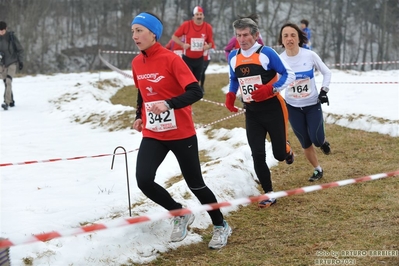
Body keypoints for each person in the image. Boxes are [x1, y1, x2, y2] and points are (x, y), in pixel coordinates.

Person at [130, 12, 232, 249]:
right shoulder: (137, 62)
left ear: (153, 33)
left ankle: (220, 225)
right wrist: (138, 115)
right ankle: (180, 213)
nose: (134, 35)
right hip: (154, 133)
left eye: (139, 30)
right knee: (144, 180)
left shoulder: (172, 59)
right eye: (133, 31)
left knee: (195, 184)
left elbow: (196, 92)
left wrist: (168, 103)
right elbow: (142, 91)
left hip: (181, 133)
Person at [224, 18, 296, 208]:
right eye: (238, 35)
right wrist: (231, 94)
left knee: (279, 154)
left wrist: (271, 89)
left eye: (246, 35)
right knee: (257, 153)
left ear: (256, 35)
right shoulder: (233, 56)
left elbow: (289, 74)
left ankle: (287, 149)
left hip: (273, 109)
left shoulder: (266, 53)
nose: (242, 39)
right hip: (252, 112)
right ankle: (269, 193)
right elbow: (233, 78)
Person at [278, 23, 331, 182]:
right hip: (293, 107)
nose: (289, 39)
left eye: (293, 35)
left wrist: (324, 91)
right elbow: (275, 82)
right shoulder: (279, 60)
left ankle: (322, 142)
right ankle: (317, 169)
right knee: (305, 142)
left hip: (312, 105)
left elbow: (327, 72)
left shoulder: (309, 55)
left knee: (316, 138)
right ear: (282, 40)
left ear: (299, 38)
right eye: (285, 36)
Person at [171, 6, 214, 93]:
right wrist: (183, 45)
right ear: (193, 16)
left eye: (200, 14)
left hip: (199, 58)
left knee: (197, 79)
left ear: (203, 16)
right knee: (187, 78)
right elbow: (174, 37)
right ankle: (185, 93)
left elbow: (210, 42)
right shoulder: (186, 25)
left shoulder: (207, 27)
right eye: (197, 14)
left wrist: (207, 46)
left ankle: (193, 94)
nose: (199, 16)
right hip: (187, 58)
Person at [0, 21, 24, 111]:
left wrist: (21, 62)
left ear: (6, 29)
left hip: (12, 62)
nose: (1, 32)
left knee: (8, 81)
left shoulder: (11, 37)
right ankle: (11, 100)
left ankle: (6, 102)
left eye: (2, 30)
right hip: (2, 64)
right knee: (5, 82)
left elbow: (20, 50)